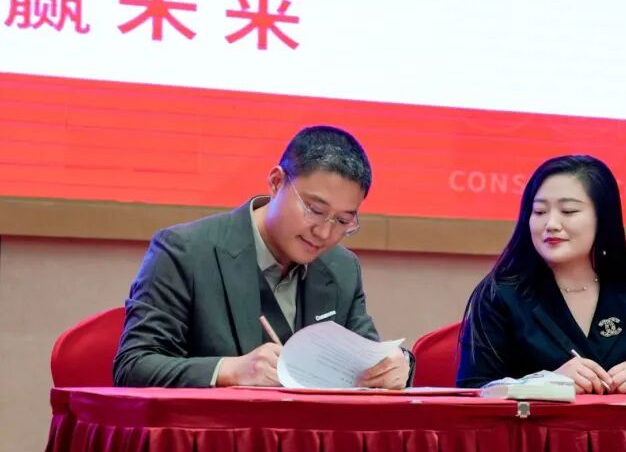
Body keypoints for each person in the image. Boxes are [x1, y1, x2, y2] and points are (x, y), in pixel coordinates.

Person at [114, 125, 413, 388]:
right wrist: (230, 371)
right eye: (315, 210)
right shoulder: (186, 251)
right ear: (276, 182)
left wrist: (396, 365)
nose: (324, 232)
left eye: (343, 220)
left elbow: (368, 355)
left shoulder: (341, 268)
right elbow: (134, 365)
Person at [456, 154, 626, 395]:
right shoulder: (500, 293)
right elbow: (473, 390)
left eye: (568, 211)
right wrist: (545, 384)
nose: (550, 223)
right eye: (539, 211)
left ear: (603, 219)